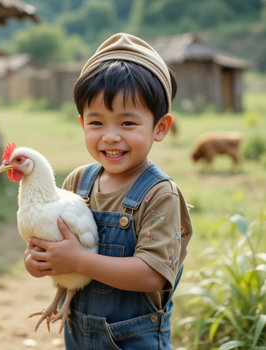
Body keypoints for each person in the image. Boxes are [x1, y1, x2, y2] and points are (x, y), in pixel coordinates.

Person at [24, 33, 193, 349]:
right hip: (79, 335)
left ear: (160, 127)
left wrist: (79, 261)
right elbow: (53, 248)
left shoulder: (159, 195)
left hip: (135, 341)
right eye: (97, 122)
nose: (110, 136)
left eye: (127, 123)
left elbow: (152, 275)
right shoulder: (77, 183)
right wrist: (36, 262)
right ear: (82, 123)